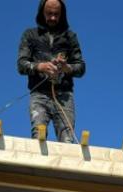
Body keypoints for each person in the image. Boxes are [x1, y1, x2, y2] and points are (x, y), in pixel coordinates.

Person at [17, 0, 86, 143]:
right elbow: (21, 65)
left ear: (62, 15)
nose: (53, 18)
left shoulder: (70, 37)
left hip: (64, 97)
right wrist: (40, 66)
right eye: (49, 14)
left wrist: (67, 68)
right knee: (38, 137)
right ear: (42, 13)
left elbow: (81, 67)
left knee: (67, 141)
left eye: (56, 14)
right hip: (39, 95)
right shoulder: (30, 35)